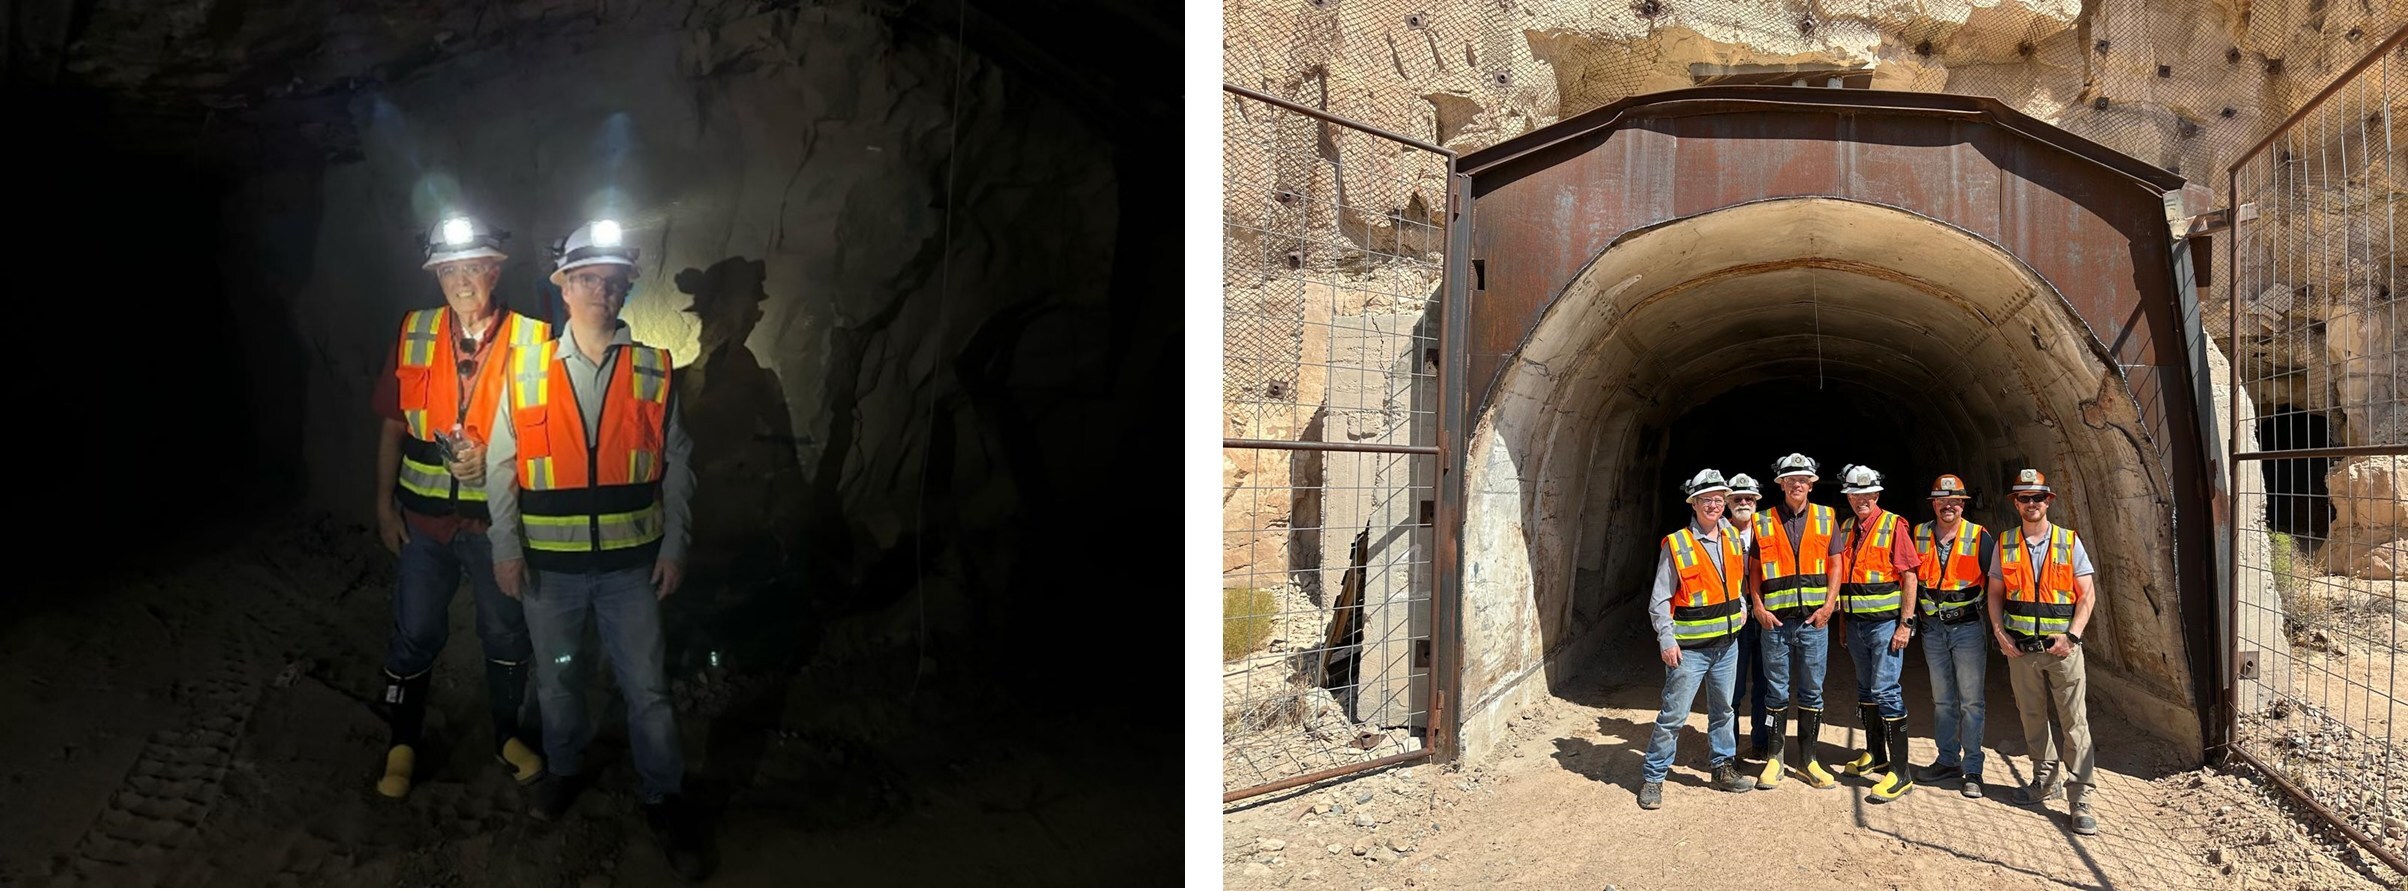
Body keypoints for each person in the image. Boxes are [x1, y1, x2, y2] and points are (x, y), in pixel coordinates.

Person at [484, 219, 707, 877]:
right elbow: (502, 462)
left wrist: (675, 543)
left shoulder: (652, 367)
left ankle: (664, 795)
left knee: (648, 687)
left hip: (631, 565)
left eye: (612, 283)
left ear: (624, 290)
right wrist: (505, 546)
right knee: (557, 679)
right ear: (566, 287)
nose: (601, 293)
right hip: (550, 567)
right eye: (588, 280)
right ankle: (565, 766)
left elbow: (679, 462)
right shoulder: (525, 368)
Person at [369, 213, 552, 798]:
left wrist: (504, 462)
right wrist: (382, 503)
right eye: (450, 269)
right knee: (416, 630)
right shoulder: (415, 330)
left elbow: (553, 440)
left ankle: (506, 735)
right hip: (424, 522)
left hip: (497, 524)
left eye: (474, 266)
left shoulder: (534, 338)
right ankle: (402, 740)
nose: (462, 280)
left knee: (504, 632)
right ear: (437, 276)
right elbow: (395, 424)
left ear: (495, 271)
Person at [1986, 468, 2101, 835]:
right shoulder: (2005, 543)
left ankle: (2080, 797)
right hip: (2021, 649)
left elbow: (2087, 596)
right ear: (2016, 504)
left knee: (2074, 723)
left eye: (2037, 497)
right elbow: (1994, 594)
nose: (2031, 504)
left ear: (2048, 501)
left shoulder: (2068, 542)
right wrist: (2001, 635)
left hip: (2063, 650)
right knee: (2032, 718)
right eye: (2024, 498)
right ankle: (2044, 782)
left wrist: (2073, 637)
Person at [1638, 469, 1756, 809]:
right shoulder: (1677, 544)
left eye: (1720, 499)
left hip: (1726, 645)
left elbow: (1737, 581)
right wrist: (1666, 639)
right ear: (1694, 503)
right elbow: (1660, 599)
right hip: (1689, 650)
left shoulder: (1733, 537)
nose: (1715, 505)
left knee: (1723, 710)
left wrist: (1744, 603)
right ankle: (1653, 777)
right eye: (1708, 499)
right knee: (1674, 716)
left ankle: (1722, 768)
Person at [1828, 463, 1921, 803]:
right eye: (1855, 494)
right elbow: (1844, 578)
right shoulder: (1848, 526)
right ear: (1848, 497)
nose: (1861, 499)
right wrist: (1841, 622)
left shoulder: (1893, 525)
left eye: (1867, 493)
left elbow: (1909, 575)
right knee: (1866, 690)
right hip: (1855, 624)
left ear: (1877, 494)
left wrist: (1905, 624)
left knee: (1886, 691)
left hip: (1884, 626)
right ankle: (1875, 754)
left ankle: (1900, 772)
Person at [1746, 454, 1839, 790]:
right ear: (1781, 484)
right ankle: (1775, 759)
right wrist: (1758, 607)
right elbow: (1754, 570)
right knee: (1775, 692)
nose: (1797, 483)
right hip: (1776, 623)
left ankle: (1809, 760)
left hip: (1814, 622)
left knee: (1812, 692)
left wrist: (1829, 607)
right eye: (1791, 479)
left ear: (1812, 484)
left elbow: (1836, 564)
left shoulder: (1827, 518)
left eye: (1803, 479)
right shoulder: (1763, 520)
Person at [1910, 474, 1996, 798]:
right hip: (1932, 629)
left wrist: (1998, 627)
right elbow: (1906, 576)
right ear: (1933, 503)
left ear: (1963, 504)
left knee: (1972, 701)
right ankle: (1947, 760)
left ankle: (1973, 769)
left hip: (1967, 629)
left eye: (1955, 501)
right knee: (1943, 700)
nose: (1949, 506)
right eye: (1942, 500)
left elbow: (1996, 581)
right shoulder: (1918, 534)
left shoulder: (1978, 537)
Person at [1725, 474, 1772, 758]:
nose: (1744, 503)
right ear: (1728, 503)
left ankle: (1762, 743)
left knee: (1765, 684)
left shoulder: (1769, 531)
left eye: (1749, 499)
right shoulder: (1718, 532)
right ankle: (1728, 748)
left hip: (1765, 614)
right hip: (1733, 618)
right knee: (1733, 687)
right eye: (1738, 499)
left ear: (1757, 502)